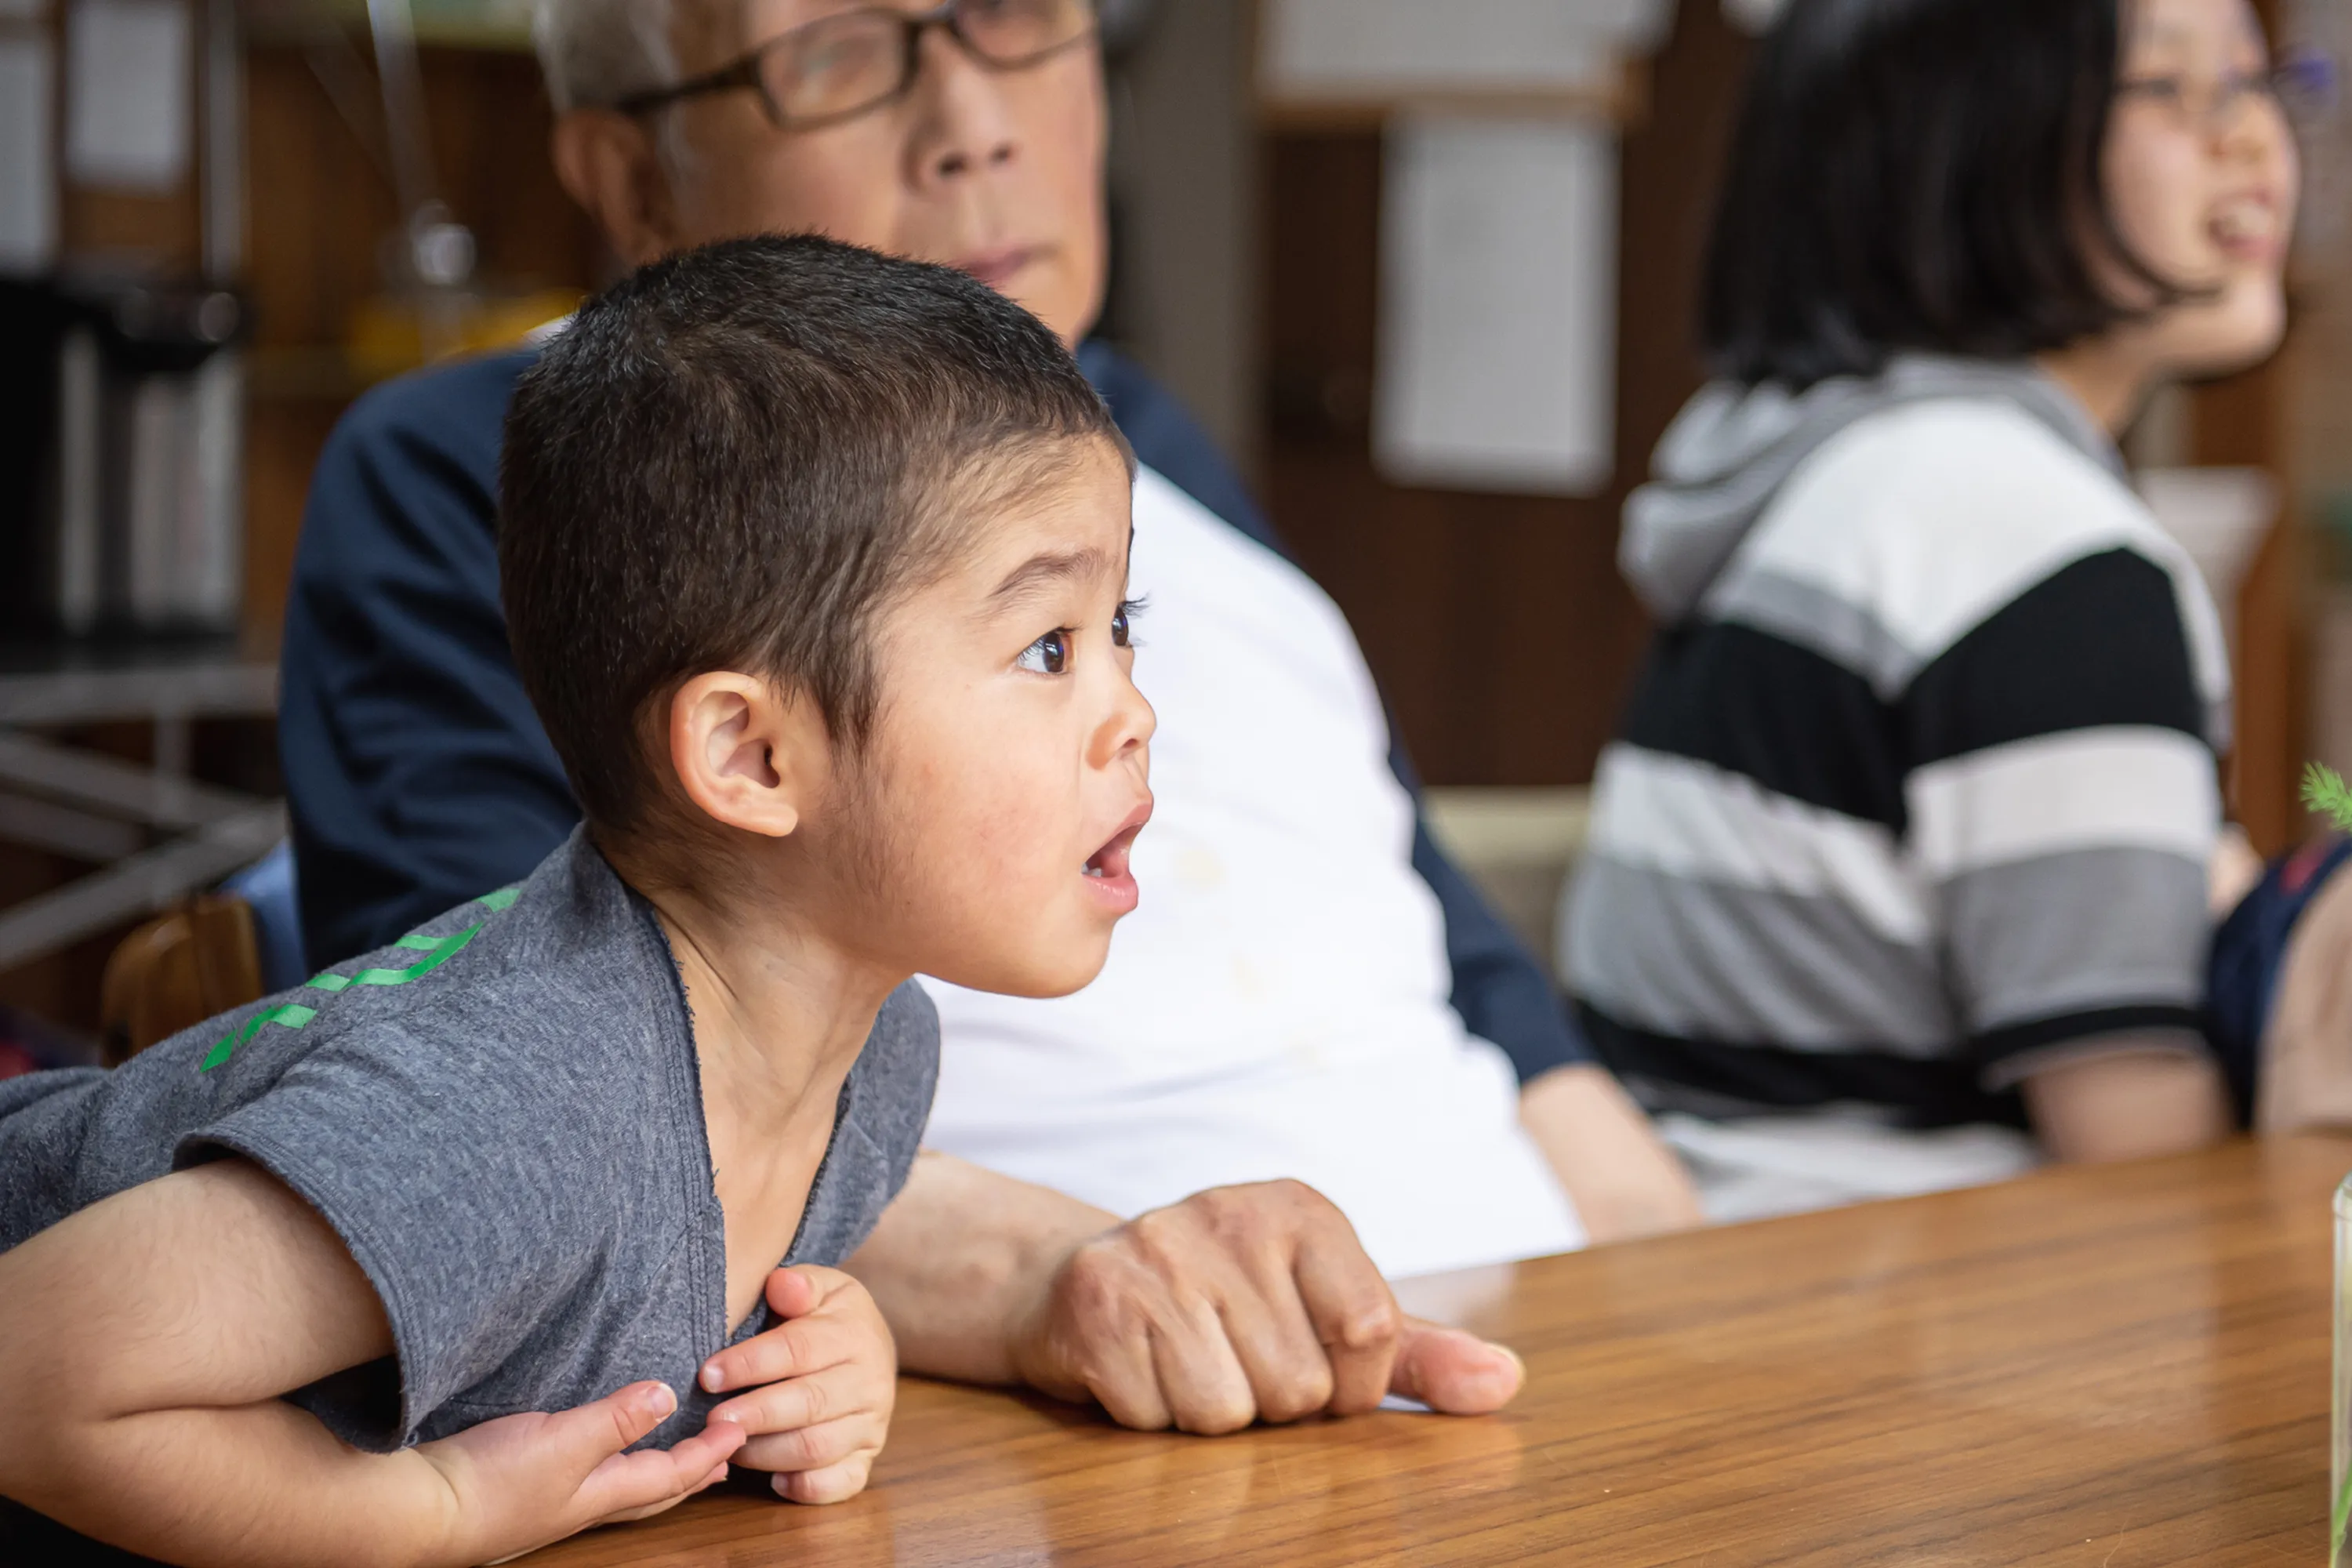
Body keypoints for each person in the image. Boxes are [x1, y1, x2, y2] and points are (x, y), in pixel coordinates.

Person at [278, 0, 1697, 1405]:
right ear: (633, 180)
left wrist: (1675, 1276)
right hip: (1095, 1417)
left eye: (1015, 18)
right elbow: (505, 1110)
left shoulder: (1132, 434)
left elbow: (1420, 917)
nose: (973, 128)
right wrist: (1057, 1280)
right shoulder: (519, 483)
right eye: (832, 57)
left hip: (1518, 1339)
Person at [0, 235, 1177, 1562]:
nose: (1130, 712)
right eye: (1047, 648)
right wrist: (432, 1513)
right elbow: (26, 1378)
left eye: (1120, 623)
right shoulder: (520, 1119)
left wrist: (814, 1362)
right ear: (751, 756)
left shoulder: (874, 1053)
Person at [1556, 0, 2297, 1221]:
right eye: (2175, 89)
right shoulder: (2031, 552)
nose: (2254, 141)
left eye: (2259, 79)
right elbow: (2140, 1163)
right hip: (1910, 1322)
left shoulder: (1814, 459)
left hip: (1710, 1265)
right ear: (1958, 145)